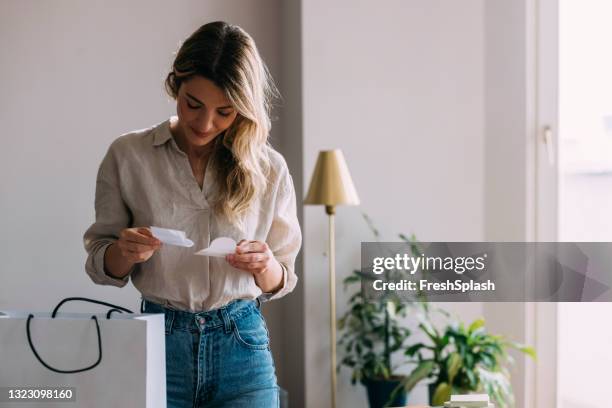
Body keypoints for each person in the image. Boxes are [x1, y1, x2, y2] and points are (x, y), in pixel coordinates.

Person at [83, 21, 301, 408]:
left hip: (242, 343)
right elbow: (101, 263)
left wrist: (265, 264)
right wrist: (124, 252)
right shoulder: (128, 155)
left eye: (225, 112)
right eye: (193, 104)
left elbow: (282, 278)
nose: (205, 124)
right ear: (174, 85)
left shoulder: (269, 168)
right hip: (158, 340)